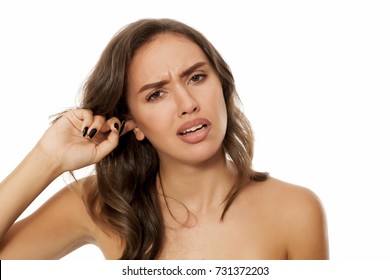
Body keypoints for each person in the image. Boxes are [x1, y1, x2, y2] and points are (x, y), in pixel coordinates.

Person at [0, 18, 328, 260]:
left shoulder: (296, 210)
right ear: (132, 123)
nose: (188, 104)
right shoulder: (102, 204)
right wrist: (47, 157)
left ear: (222, 87)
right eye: (156, 94)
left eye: (197, 77)